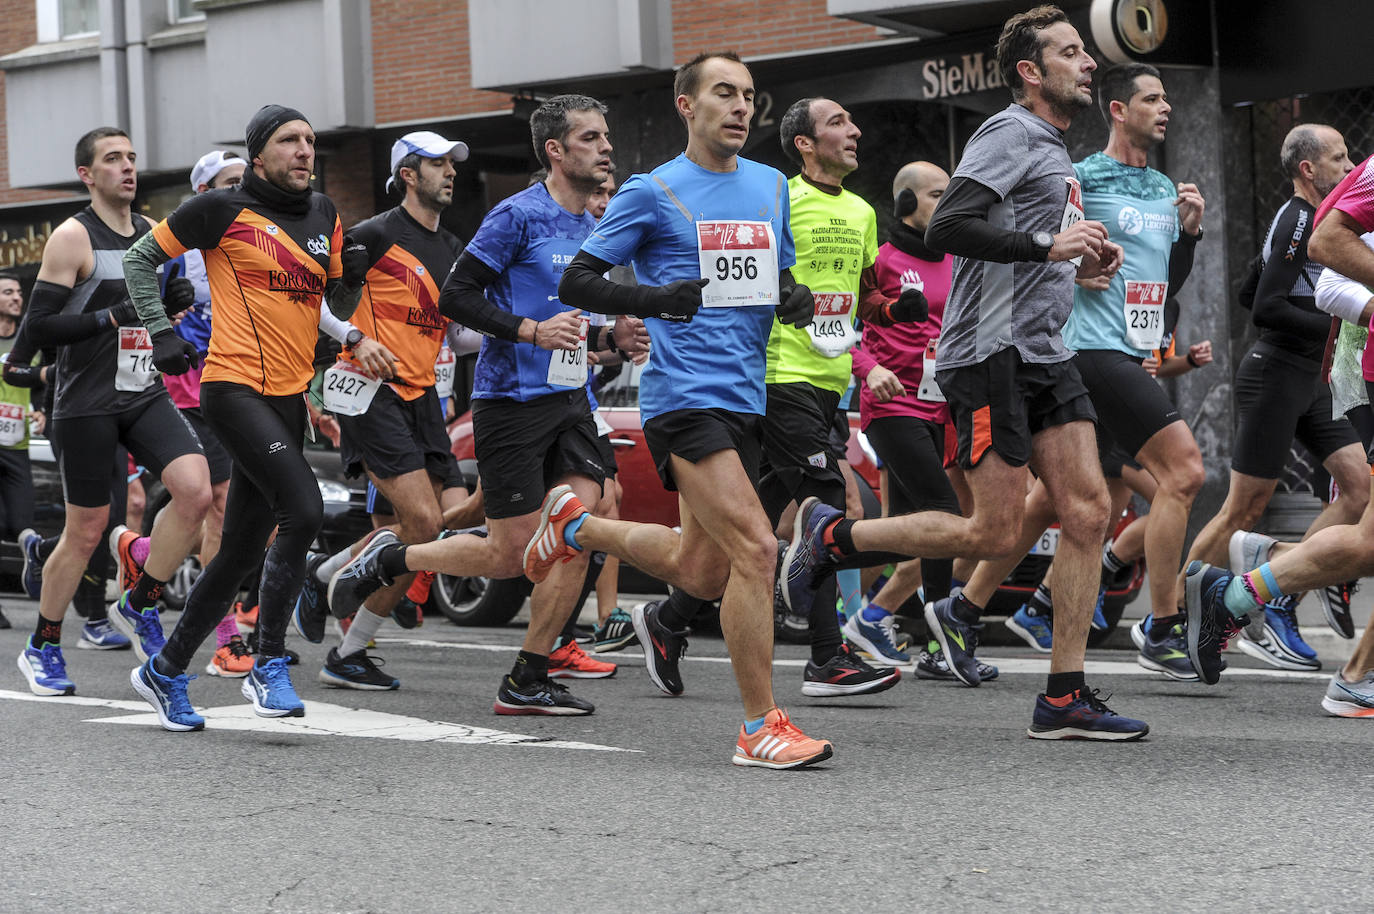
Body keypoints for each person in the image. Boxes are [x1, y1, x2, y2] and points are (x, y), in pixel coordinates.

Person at [782, 6, 1147, 740]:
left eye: (1084, 52)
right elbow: (950, 226)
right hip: (988, 355)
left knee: (1087, 512)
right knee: (991, 530)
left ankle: (1064, 696)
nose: (1087, 64)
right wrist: (1049, 243)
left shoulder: (1054, 150)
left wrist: (1083, 261)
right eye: (1070, 53)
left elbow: (1034, 250)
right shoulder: (1009, 132)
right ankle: (831, 541)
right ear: (1030, 71)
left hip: (1046, 350)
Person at [540, 52, 835, 768]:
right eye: (724, 93)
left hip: (747, 397)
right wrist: (656, 300)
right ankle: (759, 725)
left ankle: (577, 527)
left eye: (749, 97)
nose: (740, 107)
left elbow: (776, 275)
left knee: (699, 571)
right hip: (683, 398)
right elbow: (578, 280)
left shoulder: (770, 186)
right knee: (759, 549)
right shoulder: (652, 191)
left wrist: (792, 298)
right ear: (686, 105)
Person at [326, 95, 642, 714]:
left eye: (606, 136)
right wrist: (527, 331)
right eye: (591, 137)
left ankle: (528, 674)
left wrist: (612, 340)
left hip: (570, 397)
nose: (606, 147)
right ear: (555, 150)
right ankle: (394, 556)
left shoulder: (595, 229)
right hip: (509, 401)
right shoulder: (514, 216)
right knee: (508, 557)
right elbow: (457, 302)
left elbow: (571, 326)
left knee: (579, 524)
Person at [953, 63, 1206, 680]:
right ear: (1118, 110)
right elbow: (1045, 244)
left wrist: (1189, 239)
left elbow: (1159, 288)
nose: (1164, 107)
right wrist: (1070, 266)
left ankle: (966, 607)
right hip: (1082, 345)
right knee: (1183, 471)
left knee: (1074, 501)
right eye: (1151, 98)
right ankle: (1164, 623)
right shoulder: (1082, 176)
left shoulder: (1166, 189)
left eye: (1167, 98)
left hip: (1131, 349)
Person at [122, 105, 364, 730]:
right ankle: (266, 662)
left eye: (311, 141)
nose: (304, 150)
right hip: (232, 388)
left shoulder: (325, 216)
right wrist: (160, 332)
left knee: (238, 551)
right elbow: (139, 260)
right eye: (289, 141)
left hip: (288, 397)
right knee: (304, 510)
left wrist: (345, 304)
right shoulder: (221, 209)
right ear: (260, 153)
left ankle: (165, 670)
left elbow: (326, 302)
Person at [16, 127, 210, 698]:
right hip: (85, 402)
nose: (127, 167)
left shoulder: (152, 235)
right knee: (85, 533)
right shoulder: (71, 238)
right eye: (112, 159)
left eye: (130, 157)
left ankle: (140, 601)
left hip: (142, 391)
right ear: (87, 174)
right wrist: (111, 315)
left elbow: (150, 312)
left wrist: (166, 310)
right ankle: (43, 645)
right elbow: (40, 329)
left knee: (196, 492)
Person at [1186, 149, 1374, 712]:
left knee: (1360, 505)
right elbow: (1270, 299)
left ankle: (1255, 582)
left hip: (1318, 377)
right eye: (1335, 156)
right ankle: (1169, 620)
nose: (1345, 163)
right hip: (1278, 370)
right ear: (1307, 167)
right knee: (1243, 505)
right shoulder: (1298, 215)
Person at [290, 130, 473, 691]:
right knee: (420, 525)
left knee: (444, 526)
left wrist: (534, 336)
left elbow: (459, 337)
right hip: (370, 393)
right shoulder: (371, 235)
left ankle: (322, 578)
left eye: (452, 164)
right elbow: (310, 298)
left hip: (424, 398)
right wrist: (354, 337)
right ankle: (350, 649)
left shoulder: (453, 249)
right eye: (437, 164)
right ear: (409, 175)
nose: (450, 172)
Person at [848, 159, 991, 678]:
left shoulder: (957, 258)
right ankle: (944, 641)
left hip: (941, 408)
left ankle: (868, 614)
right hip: (890, 406)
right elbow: (839, 322)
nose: (947, 205)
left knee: (911, 533)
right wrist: (869, 369)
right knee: (944, 513)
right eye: (936, 195)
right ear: (906, 205)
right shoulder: (880, 259)